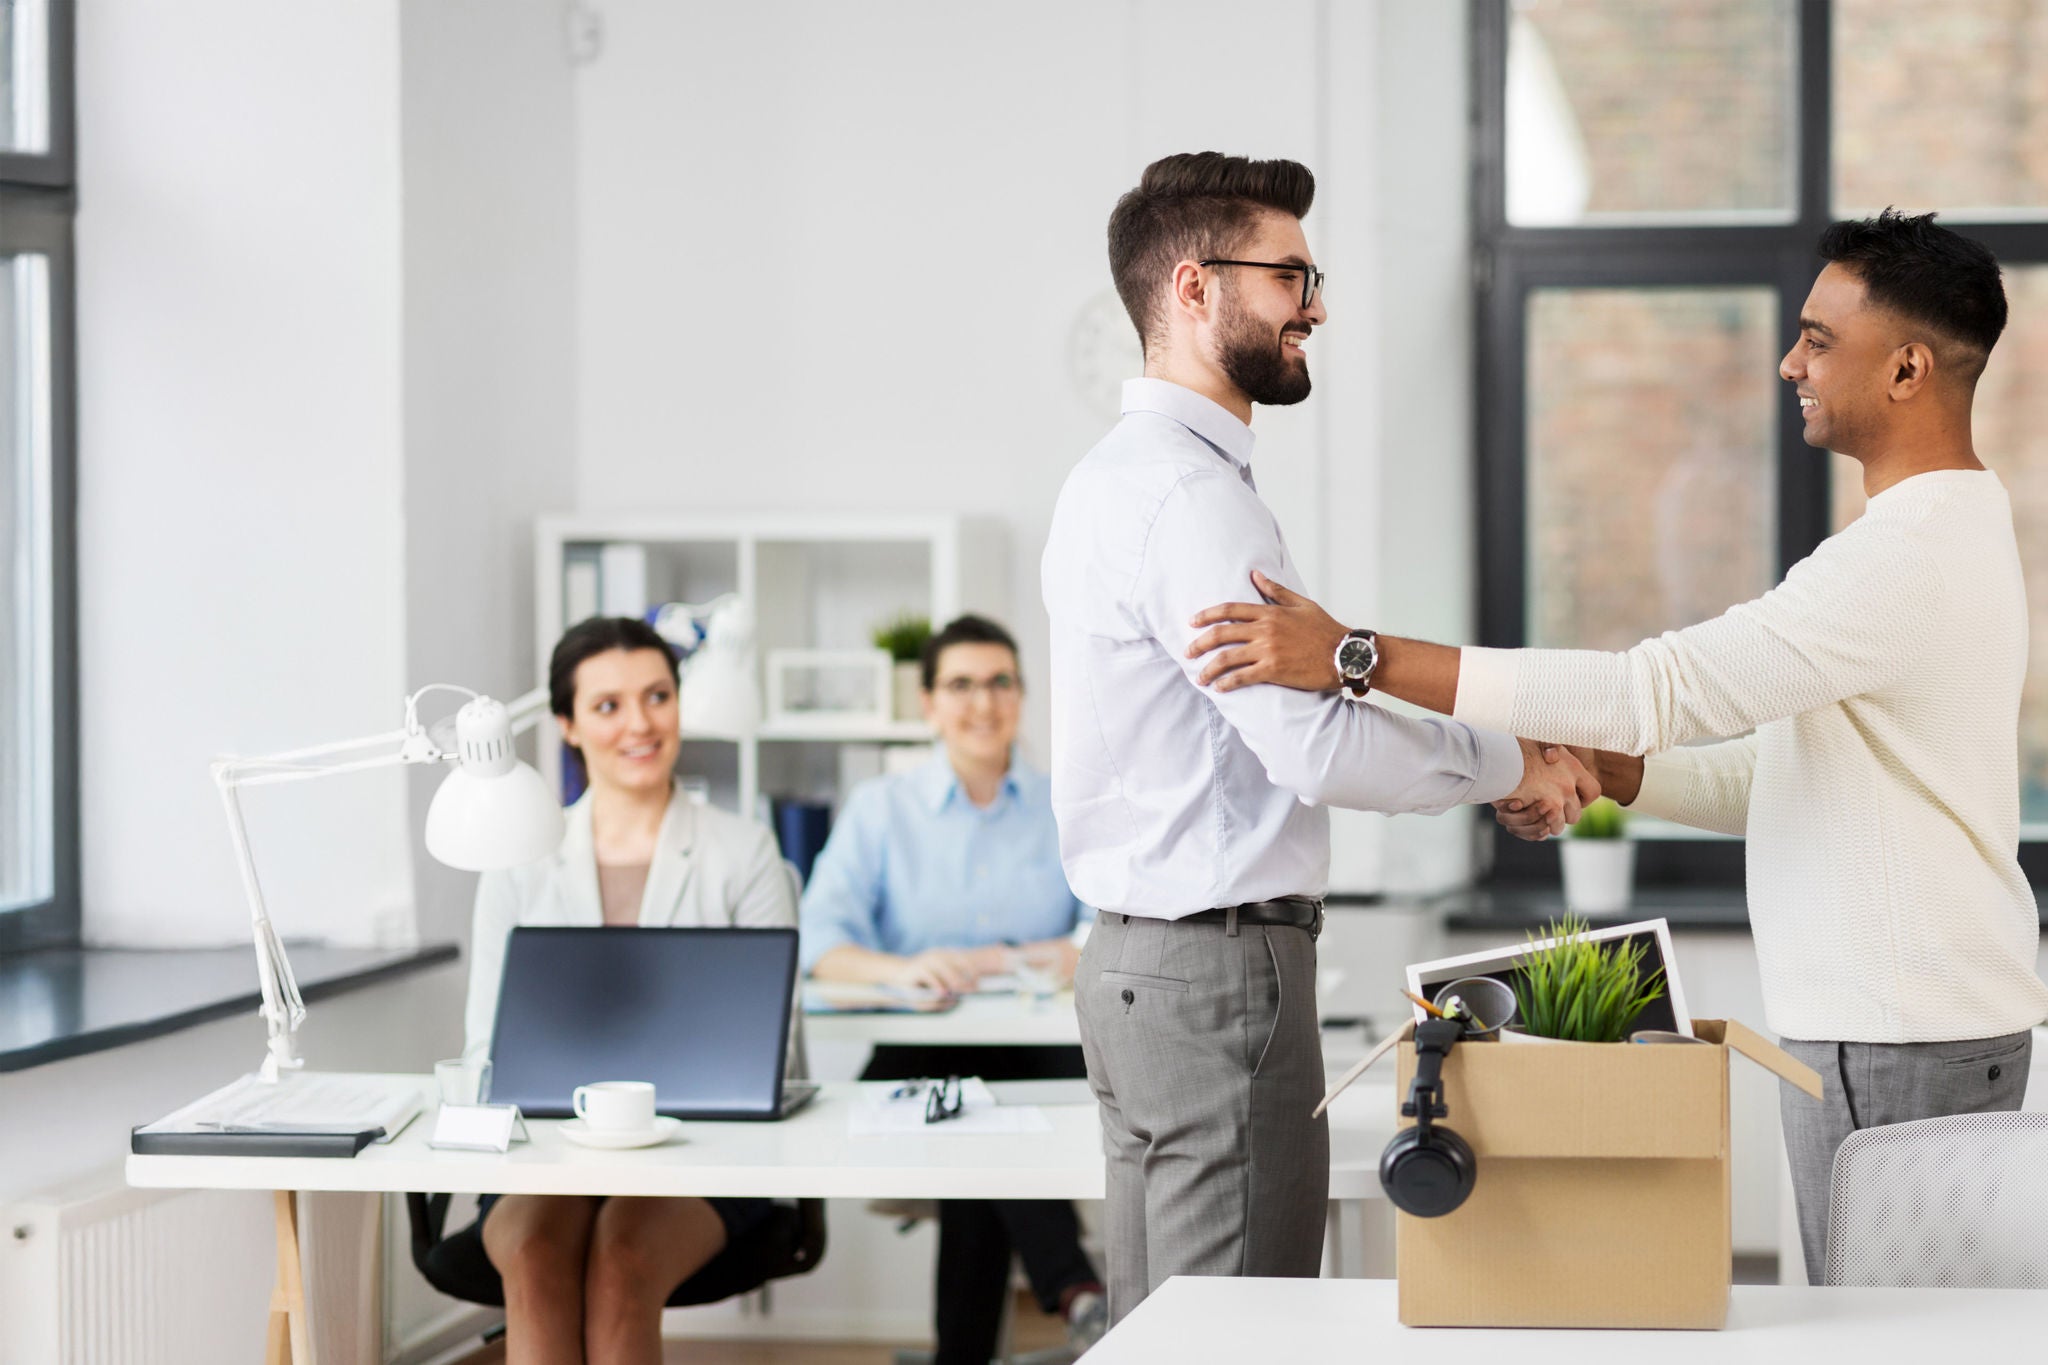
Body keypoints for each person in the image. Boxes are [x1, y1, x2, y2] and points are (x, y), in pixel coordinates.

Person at [1182, 208, 2048, 1281]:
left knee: (1886, 1340)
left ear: (1909, 368)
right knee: (1879, 1327)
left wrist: (1355, 656)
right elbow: (1780, 778)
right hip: (1903, 1023)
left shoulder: (1903, 556)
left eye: (1818, 338)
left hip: (1900, 1031)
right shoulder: (1930, 537)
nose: (1789, 361)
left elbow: (1655, 688)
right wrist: (1612, 772)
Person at [1039, 151, 1594, 1324]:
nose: (1317, 306)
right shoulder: (1194, 501)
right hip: (1213, 975)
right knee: (1235, 1335)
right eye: (1291, 275)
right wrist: (1508, 761)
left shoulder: (1113, 479)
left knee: (1158, 1328)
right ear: (1192, 289)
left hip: (1138, 967)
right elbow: (1316, 750)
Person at [460, 615, 799, 1365]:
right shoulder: (518, 861)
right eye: (609, 705)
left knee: (622, 1262)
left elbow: (779, 1054)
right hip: (548, 1151)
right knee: (537, 1256)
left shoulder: (743, 850)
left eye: (657, 696)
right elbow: (487, 1049)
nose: (640, 723)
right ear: (567, 724)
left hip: (705, 1156)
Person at [801, 614, 1107, 1362]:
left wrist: (1035, 952)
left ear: (1023, 696)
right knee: (986, 1106)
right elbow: (817, 940)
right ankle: (1077, 1291)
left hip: (1039, 1057)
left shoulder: (1064, 802)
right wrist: (900, 969)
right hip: (915, 1058)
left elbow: (1104, 926)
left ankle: (968, 1353)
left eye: (1001, 681)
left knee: (979, 1121)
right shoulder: (882, 809)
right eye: (961, 684)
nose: (983, 701)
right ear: (927, 702)